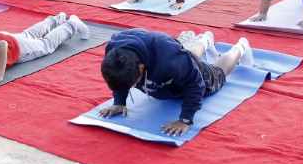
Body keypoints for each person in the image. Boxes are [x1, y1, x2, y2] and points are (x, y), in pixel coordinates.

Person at [98, 29, 254, 136]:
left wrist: (185, 120)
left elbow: (196, 84)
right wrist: (119, 102)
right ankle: (205, 41)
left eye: (133, 84)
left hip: (179, 66)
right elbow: (117, 75)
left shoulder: (169, 59)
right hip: (174, 61)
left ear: (141, 67)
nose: (132, 87)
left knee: (218, 74)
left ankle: (240, 47)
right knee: (186, 60)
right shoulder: (114, 53)